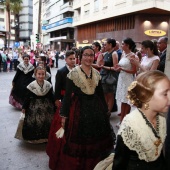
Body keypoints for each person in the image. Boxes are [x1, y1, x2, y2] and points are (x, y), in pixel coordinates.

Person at [48, 46, 115, 170]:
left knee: (96, 139)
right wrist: (64, 116)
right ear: (81, 57)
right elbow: (67, 96)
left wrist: (105, 111)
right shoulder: (73, 73)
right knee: (79, 139)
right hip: (78, 109)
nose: (89, 58)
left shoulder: (96, 73)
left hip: (95, 109)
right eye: (86, 55)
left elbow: (100, 94)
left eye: (91, 55)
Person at [112, 70, 170, 170]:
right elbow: (120, 163)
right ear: (146, 96)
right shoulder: (130, 126)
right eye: (165, 94)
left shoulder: (161, 120)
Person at [46, 50, 76, 169]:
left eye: (74, 58)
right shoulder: (61, 71)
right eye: (71, 59)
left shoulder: (78, 70)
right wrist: (57, 99)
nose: (73, 61)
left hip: (76, 99)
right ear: (66, 59)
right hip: (64, 98)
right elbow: (57, 86)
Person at [17, 66, 55, 143]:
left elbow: (52, 96)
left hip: (47, 107)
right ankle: (35, 138)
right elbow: (27, 98)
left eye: (43, 74)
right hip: (34, 107)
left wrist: (55, 105)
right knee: (36, 121)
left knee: (47, 121)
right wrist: (24, 107)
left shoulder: (48, 84)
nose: (41, 76)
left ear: (45, 74)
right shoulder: (31, 85)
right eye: (39, 74)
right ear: (35, 74)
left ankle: (46, 137)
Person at [115, 37, 137, 127]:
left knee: (127, 101)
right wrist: (118, 68)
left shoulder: (133, 56)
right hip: (121, 78)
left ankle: (124, 121)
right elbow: (120, 66)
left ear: (128, 46)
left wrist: (122, 69)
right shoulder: (123, 54)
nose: (121, 45)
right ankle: (121, 120)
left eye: (123, 44)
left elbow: (134, 71)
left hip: (128, 79)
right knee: (122, 101)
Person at [100, 38, 118, 113]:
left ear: (110, 45)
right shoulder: (106, 53)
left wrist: (104, 67)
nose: (104, 46)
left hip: (110, 77)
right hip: (104, 76)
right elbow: (100, 62)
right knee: (104, 94)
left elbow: (115, 67)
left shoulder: (114, 53)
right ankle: (105, 109)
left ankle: (108, 111)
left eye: (105, 44)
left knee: (110, 95)